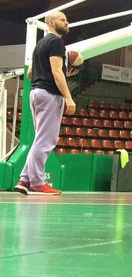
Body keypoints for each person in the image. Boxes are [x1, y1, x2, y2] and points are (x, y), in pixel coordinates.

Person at [15, 12, 77, 196]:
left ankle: (24, 179)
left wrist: (61, 74)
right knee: (46, 140)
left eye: (66, 19)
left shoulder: (39, 45)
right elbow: (56, 72)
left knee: (39, 139)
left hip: (36, 93)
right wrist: (68, 97)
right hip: (49, 94)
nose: (67, 22)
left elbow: (30, 74)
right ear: (51, 22)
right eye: (63, 20)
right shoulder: (56, 43)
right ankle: (38, 182)